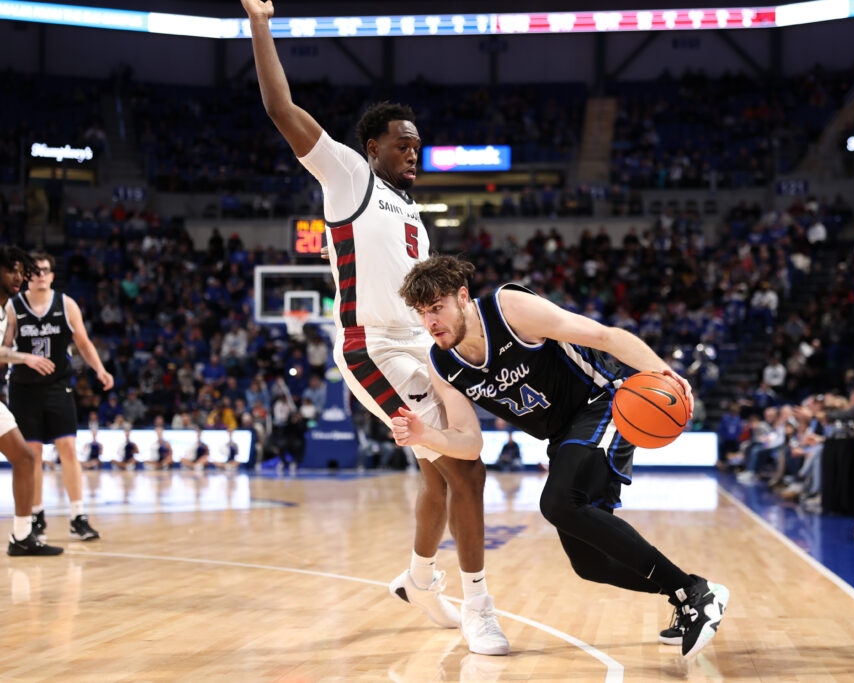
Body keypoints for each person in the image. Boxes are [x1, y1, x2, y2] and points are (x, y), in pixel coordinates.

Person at [240, 0, 508, 655]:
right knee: (464, 468)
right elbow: (281, 109)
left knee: (441, 473)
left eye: (418, 142)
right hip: (374, 349)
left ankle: (419, 578)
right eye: (401, 141)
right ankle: (479, 604)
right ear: (372, 148)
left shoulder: (415, 211)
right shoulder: (350, 178)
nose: (413, 149)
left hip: (425, 349)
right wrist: (259, 23)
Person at [395, 255, 729, 658]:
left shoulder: (509, 309)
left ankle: (694, 594)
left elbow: (604, 336)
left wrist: (665, 374)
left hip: (603, 404)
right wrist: (425, 434)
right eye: (422, 313)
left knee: (557, 503)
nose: (430, 322)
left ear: (462, 297)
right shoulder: (443, 362)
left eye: (437, 308)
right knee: (589, 564)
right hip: (562, 437)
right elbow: (470, 443)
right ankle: (689, 591)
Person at [4, 251, 110, 542]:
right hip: (24, 388)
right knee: (33, 454)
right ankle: (36, 514)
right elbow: (4, 350)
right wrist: (24, 358)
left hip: (57, 386)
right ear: (27, 276)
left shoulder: (66, 304)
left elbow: (83, 342)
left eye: (45, 271)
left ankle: (78, 516)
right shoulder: (13, 308)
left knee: (68, 449)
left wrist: (100, 370)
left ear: (52, 275)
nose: (40, 275)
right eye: (34, 271)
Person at [0, 247, 63, 555]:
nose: (19, 277)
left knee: (25, 460)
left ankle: (22, 536)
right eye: (12, 270)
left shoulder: (4, 311)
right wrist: (24, 357)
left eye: (21, 272)